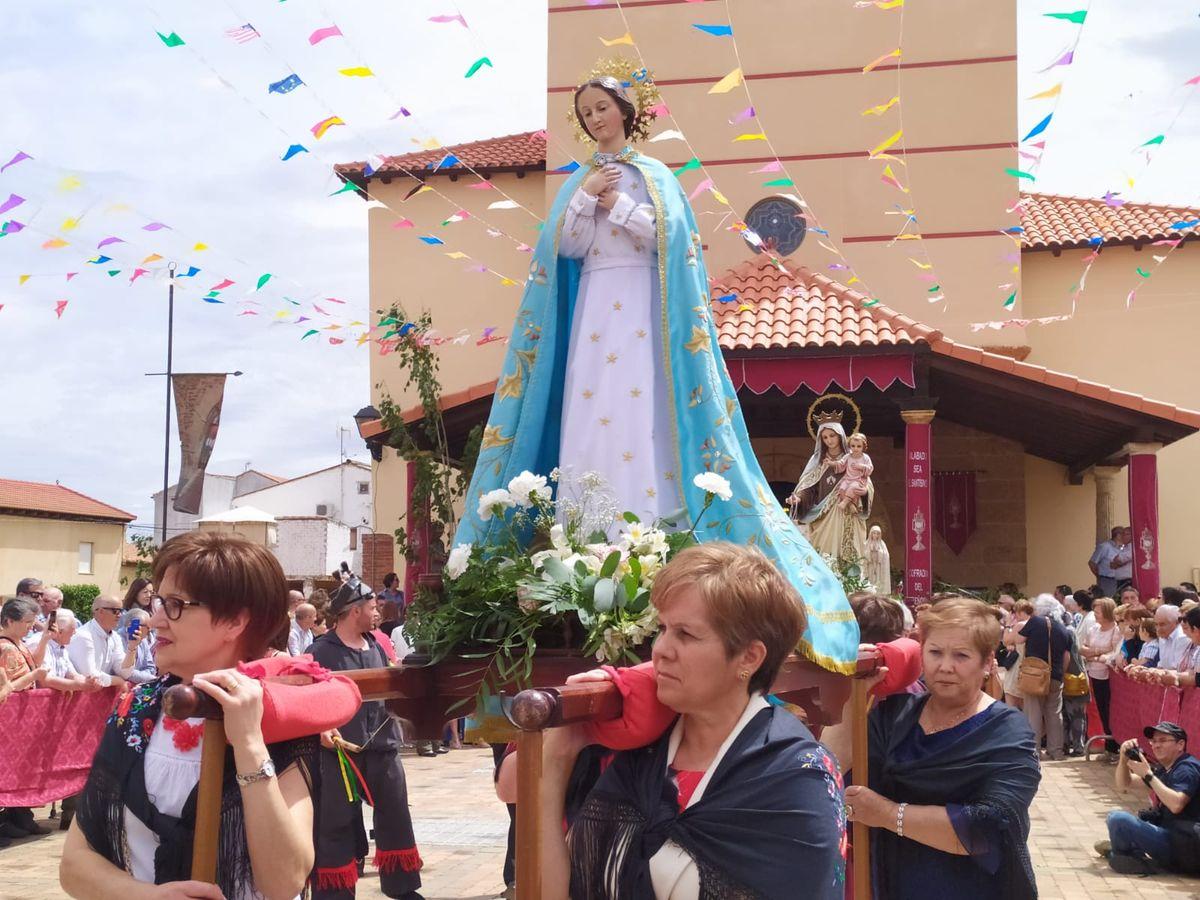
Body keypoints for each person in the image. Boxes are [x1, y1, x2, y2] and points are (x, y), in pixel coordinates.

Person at [452, 71, 859, 676]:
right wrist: (589, 197)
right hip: (592, 308)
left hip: (642, 313)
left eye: (601, 108)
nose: (594, 119)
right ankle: (583, 541)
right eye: (585, 111)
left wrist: (621, 205)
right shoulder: (578, 182)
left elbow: (674, 247)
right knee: (588, 415)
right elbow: (564, 246)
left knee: (640, 415)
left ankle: (651, 536)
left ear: (624, 112)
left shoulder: (655, 177)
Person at [534, 542, 846, 899]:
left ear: (749, 656)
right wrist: (557, 756)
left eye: (686, 634)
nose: (661, 650)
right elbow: (552, 890)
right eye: (662, 629)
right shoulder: (642, 762)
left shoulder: (794, 776)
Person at [61, 531, 317, 900]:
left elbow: (284, 882)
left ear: (235, 622)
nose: (156, 621)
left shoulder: (283, 716)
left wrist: (248, 743)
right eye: (159, 603)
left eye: (176, 605)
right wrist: (148, 896)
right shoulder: (136, 710)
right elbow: (75, 863)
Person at [839, 598, 1041, 899]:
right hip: (894, 883)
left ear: (987, 663)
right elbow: (832, 769)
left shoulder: (1007, 732)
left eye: (961, 655)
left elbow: (988, 826)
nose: (945, 666)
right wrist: (852, 695)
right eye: (934, 652)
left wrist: (887, 813)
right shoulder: (893, 715)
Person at [310, 577, 423, 900]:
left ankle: (403, 888)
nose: (377, 613)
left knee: (396, 817)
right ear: (354, 611)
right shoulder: (319, 652)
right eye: (371, 608)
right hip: (339, 754)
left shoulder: (378, 644)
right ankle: (334, 892)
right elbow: (306, 699)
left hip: (383, 748)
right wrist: (320, 729)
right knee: (335, 826)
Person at [1098, 722, 1200, 875]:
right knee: (1118, 819)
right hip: (1174, 839)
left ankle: (1128, 856)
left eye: (1163, 740)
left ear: (1180, 744)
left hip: (1186, 848)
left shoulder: (1187, 769)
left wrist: (1148, 775)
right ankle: (1126, 854)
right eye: (1154, 741)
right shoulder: (1167, 768)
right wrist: (1123, 760)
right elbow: (1125, 784)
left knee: (1118, 819)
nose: (1156, 745)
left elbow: (1176, 804)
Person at [0, 597, 52, 840]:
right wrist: (34, 675)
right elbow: (8, 687)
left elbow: (34, 666)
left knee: (19, 768)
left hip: (19, 719)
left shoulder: (17, 643)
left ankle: (20, 816)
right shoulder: (6, 647)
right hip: (9, 717)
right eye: (27, 622)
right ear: (10, 621)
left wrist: (44, 640)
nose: (31, 626)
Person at [789, 418, 873, 563]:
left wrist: (865, 493)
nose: (829, 440)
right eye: (825, 437)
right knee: (824, 557)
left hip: (848, 515)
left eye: (832, 436)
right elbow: (808, 486)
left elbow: (866, 482)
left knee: (848, 559)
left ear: (840, 436)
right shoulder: (817, 461)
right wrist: (798, 499)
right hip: (823, 516)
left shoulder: (854, 458)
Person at [1014, 594, 1072, 760]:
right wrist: (1060, 674)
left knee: (1033, 712)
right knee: (1054, 713)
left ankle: (1034, 750)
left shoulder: (1035, 622)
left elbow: (1019, 639)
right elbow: (1066, 657)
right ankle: (1056, 751)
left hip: (1035, 674)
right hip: (1056, 676)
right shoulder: (1064, 629)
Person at [66, 596, 128, 690]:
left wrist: (132, 648)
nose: (120, 615)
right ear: (101, 611)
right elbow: (90, 675)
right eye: (115, 611)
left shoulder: (115, 637)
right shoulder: (84, 636)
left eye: (121, 611)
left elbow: (125, 673)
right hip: (78, 699)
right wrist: (118, 681)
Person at [1000, 599, 1034, 710]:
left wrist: (1008, 625)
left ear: (1019, 612)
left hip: (1018, 666)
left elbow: (1006, 641)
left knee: (1011, 700)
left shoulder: (1020, 625)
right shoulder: (1035, 623)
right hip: (1030, 666)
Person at [117, 609, 157, 684]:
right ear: (130, 625)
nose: (149, 630)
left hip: (140, 686)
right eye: (147, 627)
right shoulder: (117, 639)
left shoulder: (143, 640)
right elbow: (125, 672)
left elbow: (151, 668)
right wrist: (152, 679)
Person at [1089, 527, 1127, 599]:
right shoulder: (1105, 547)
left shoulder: (1124, 548)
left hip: (1121, 581)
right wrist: (1099, 576)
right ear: (1118, 535)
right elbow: (1092, 563)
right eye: (1125, 534)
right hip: (1107, 581)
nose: (1126, 537)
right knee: (1108, 601)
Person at [863, 525, 891, 595]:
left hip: (879, 566)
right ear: (871, 534)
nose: (875, 535)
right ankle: (869, 593)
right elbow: (863, 554)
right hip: (870, 565)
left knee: (878, 581)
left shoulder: (882, 544)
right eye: (874, 533)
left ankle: (878, 594)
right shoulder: (866, 543)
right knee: (870, 580)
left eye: (877, 533)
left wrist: (879, 552)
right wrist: (869, 552)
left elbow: (886, 555)